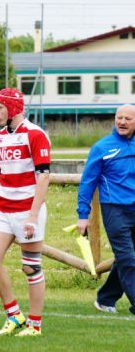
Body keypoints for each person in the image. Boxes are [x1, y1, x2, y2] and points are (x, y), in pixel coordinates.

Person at [0, 88, 51, 337]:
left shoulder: (35, 134)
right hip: (4, 210)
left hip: (27, 211)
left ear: (13, 108)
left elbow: (43, 177)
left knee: (30, 267)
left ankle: (35, 325)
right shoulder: (0, 137)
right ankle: (14, 315)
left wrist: (32, 215)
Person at [76, 104, 135, 315]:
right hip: (114, 209)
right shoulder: (102, 147)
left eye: (128, 118)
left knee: (125, 259)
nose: (122, 122)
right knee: (128, 258)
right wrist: (83, 215)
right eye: (119, 118)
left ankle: (105, 298)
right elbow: (87, 183)